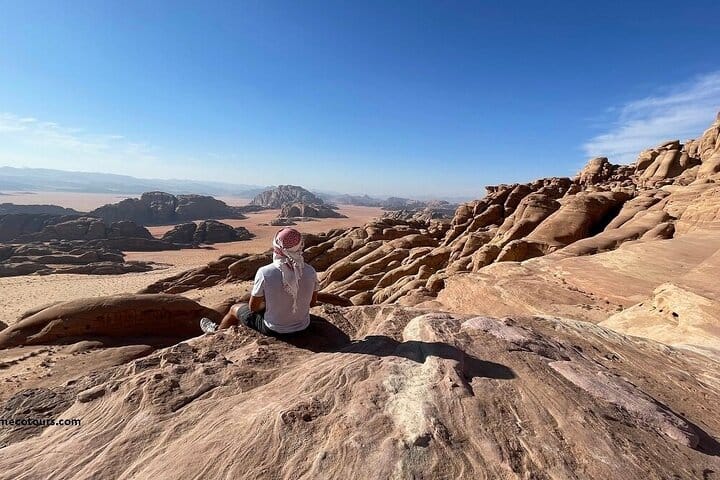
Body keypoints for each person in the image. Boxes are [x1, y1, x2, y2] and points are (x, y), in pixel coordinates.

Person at [200, 227, 319, 335]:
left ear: (277, 246)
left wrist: (270, 305)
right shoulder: (310, 271)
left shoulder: (265, 272)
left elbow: (253, 308)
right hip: (303, 326)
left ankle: (217, 332)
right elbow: (312, 303)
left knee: (234, 309)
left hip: (274, 329)